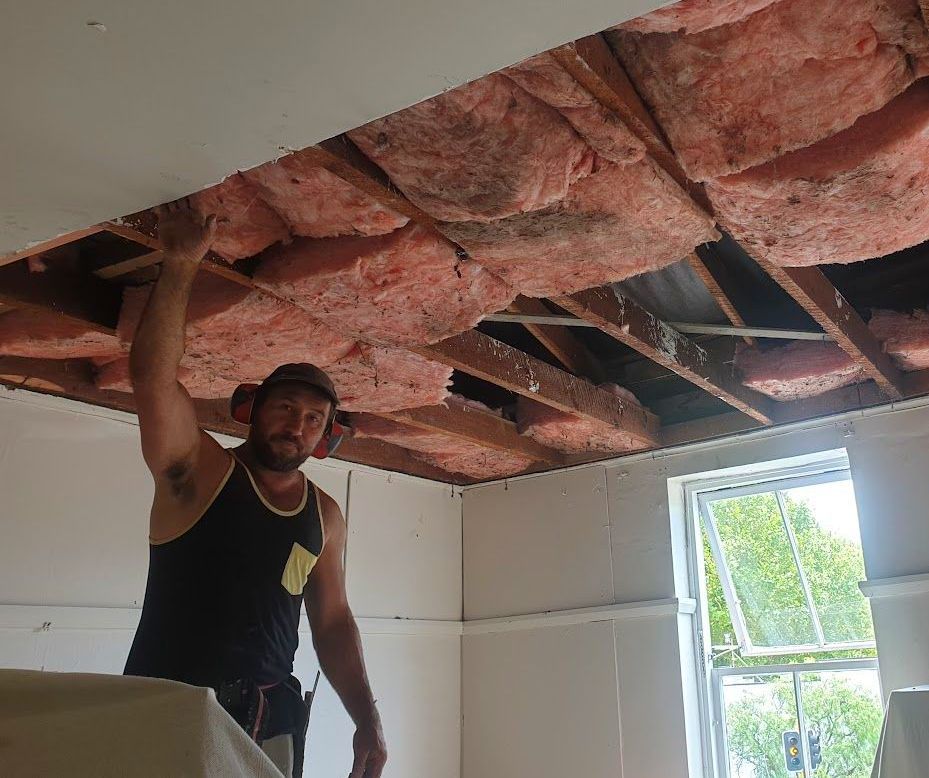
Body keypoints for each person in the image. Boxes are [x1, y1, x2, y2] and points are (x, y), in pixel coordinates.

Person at [122, 200, 386, 778]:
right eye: (286, 408)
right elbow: (152, 379)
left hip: (271, 714)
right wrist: (182, 264)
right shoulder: (201, 471)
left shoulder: (325, 515)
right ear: (252, 410)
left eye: (314, 419)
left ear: (326, 437)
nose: (297, 425)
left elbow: (333, 619)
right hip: (171, 701)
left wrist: (367, 717)